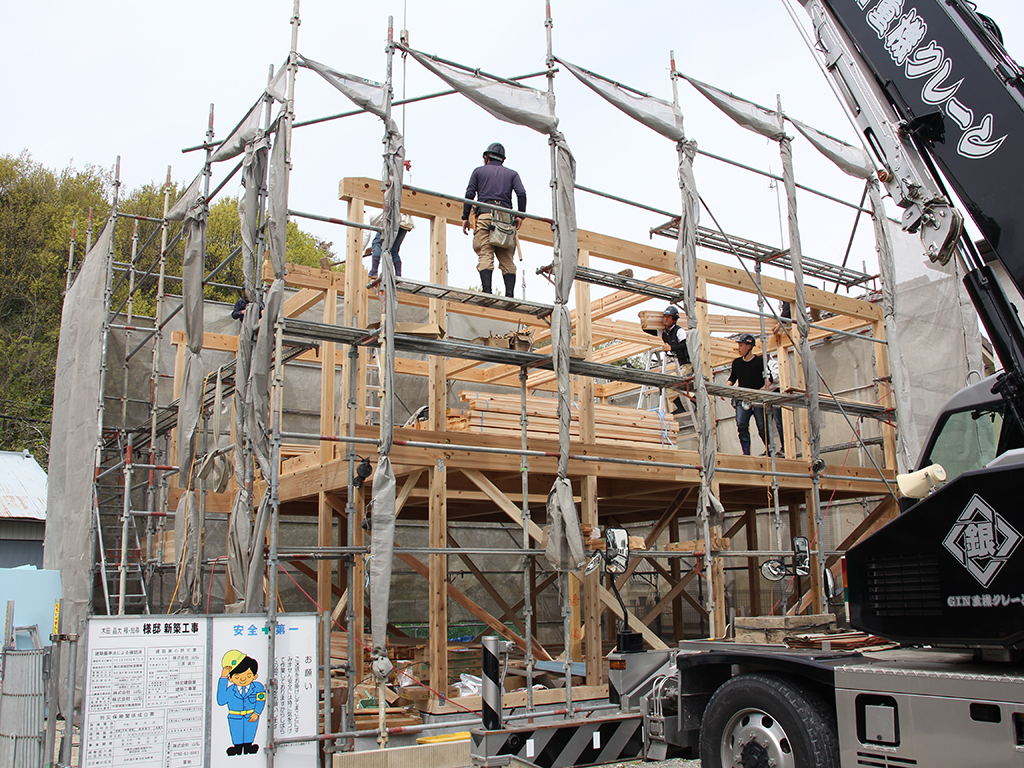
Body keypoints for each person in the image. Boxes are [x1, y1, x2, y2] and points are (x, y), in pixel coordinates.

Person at [461, 142, 526, 297]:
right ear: (503, 159)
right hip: (505, 218)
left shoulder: (478, 172)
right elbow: (521, 194)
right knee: (507, 258)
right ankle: (509, 295)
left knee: (485, 253)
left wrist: (465, 217)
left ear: (486, 157)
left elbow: (470, 194)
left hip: (485, 215)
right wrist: (520, 216)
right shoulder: (512, 174)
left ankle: (487, 292)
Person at [726, 333, 784, 456]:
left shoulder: (759, 362)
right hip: (744, 399)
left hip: (758, 400)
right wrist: (725, 389)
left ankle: (769, 450)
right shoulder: (736, 363)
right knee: (741, 425)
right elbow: (732, 379)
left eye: (741, 345)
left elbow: (769, 381)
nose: (739, 348)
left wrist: (760, 393)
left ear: (749, 346)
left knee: (762, 427)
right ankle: (746, 453)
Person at [644, 305, 692, 414]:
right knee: (668, 384)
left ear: (674, 319)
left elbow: (686, 344)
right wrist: (644, 320)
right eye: (664, 317)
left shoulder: (679, 331)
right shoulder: (664, 333)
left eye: (668, 317)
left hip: (688, 364)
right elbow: (649, 331)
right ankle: (681, 407)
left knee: (677, 382)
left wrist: (671, 348)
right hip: (680, 365)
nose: (665, 319)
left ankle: (696, 405)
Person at [217, 650, 266, 756]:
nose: (243, 679)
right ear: (231, 678)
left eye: (248, 676)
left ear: (254, 676)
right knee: (236, 734)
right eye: (238, 677)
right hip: (235, 716)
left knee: (250, 733)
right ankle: (237, 748)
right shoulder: (230, 690)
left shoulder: (258, 687)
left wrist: (256, 713)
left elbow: (261, 700)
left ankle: (249, 747)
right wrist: (223, 678)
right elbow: (221, 701)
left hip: (251, 714)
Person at [365, 213, 415, 279]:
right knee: (394, 250)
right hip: (405, 222)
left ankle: (374, 272)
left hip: (392, 218)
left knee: (377, 243)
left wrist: (362, 250)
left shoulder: (365, 216)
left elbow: (366, 234)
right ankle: (398, 275)